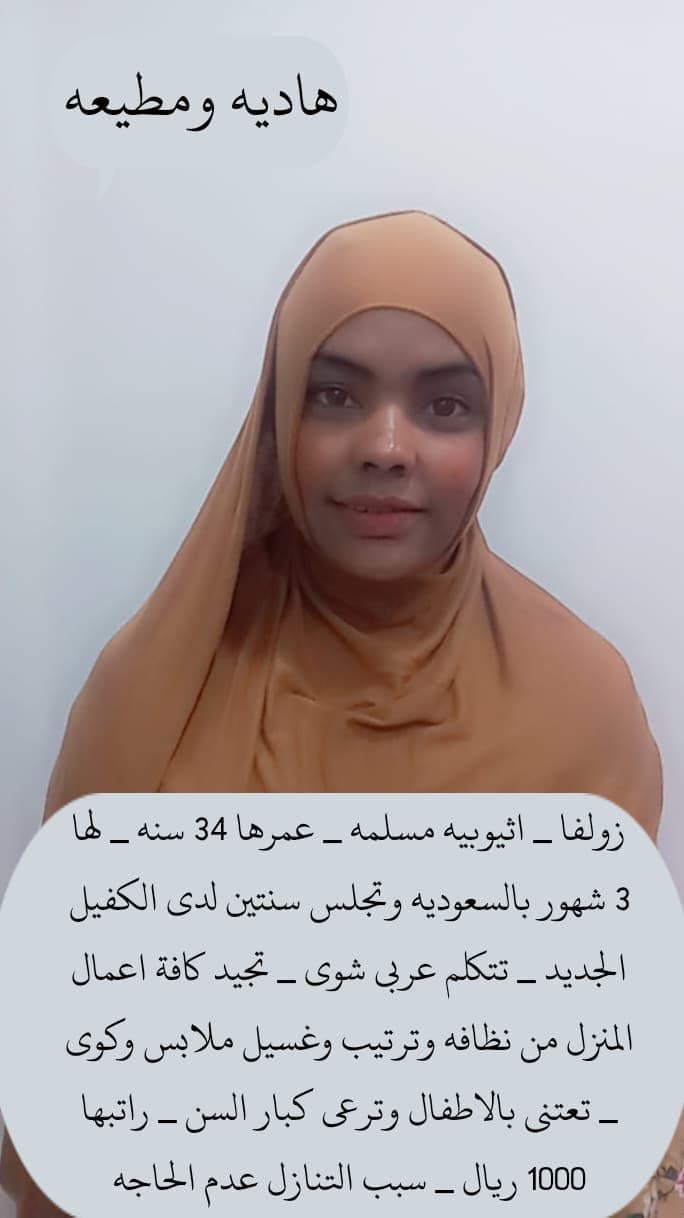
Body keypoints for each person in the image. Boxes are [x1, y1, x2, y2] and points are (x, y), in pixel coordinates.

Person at [1, 210, 681, 1216]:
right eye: (335, 395)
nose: (386, 447)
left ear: (499, 426)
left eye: (444, 405)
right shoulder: (152, 692)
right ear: (280, 415)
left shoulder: (580, 706)